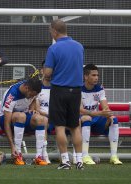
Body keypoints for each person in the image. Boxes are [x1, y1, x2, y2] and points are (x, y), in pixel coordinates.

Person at [43, 19, 84, 170]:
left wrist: (46, 77)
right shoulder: (79, 46)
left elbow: (47, 73)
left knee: (60, 127)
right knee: (75, 127)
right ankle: (79, 160)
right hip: (76, 91)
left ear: (54, 31)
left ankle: (65, 161)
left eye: (50, 31)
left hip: (59, 90)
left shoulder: (53, 48)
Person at [0, 77, 48, 166]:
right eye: (32, 94)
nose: (33, 96)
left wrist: (32, 109)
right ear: (27, 88)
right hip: (7, 119)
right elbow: (6, 123)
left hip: (23, 117)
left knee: (41, 119)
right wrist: (12, 146)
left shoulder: (33, 89)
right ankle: (17, 153)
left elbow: (34, 99)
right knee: (20, 116)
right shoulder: (12, 95)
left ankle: (39, 156)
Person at [79, 64, 122, 165]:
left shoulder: (99, 88)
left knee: (113, 119)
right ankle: (85, 156)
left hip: (95, 120)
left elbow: (105, 107)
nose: (96, 78)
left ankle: (114, 156)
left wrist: (108, 113)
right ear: (85, 76)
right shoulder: (78, 89)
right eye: (93, 75)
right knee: (86, 118)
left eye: (97, 75)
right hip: (81, 121)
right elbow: (80, 110)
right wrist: (99, 113)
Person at [35, 60, 52, 164]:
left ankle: (77, 156)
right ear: (42, 71)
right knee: (44, 120)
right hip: (44, 118)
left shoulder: (57, 87)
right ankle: (44, 153)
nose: (50, 72)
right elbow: (37, 109)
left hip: (56, 118)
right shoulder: (37, 87)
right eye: (47, 69)